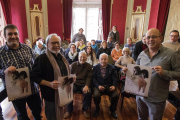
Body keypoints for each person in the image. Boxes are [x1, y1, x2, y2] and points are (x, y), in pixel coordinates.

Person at [123, 28, 180, 120]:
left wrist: (164, 72)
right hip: (140, 95)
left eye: (154, 37)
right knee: (142, 118)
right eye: (148, 37)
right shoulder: (142, 54)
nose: (150, 40)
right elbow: (137, 70)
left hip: (157, 97)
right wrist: (128, 71)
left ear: (160, 38)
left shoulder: (172, 54)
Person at [0, 24, 42, 120]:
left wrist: (39, 80)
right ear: (5, 36)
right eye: (10, 34)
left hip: (32, 88)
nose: (13, 36)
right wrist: (4, 71)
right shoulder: (0, 53)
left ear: (18, 35)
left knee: (37, 111)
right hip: (15, 91)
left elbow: (36, 65)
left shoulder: (27, 48)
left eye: (15, 33)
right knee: (22, 115)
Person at [30, 33, 72, 120]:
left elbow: (64, 74)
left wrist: (71, 78)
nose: (56, 45)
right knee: (52, 116)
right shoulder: (42, 58)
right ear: (47, 44)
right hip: (50, 96)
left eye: (58, 43)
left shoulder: (61, 57)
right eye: (53, 43)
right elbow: (33, 76)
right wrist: (49, 84)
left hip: (62, 93)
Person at [64, 51, 92, 119]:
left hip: (84, 84)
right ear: (78, 57)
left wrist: (87, 85)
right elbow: (69, 76)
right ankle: (69, 110)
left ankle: (85, 110)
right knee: (68, 91)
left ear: (86, 58)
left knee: (88, 93)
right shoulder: (73, 65)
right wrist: (69, 85)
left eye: (84, 57)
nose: (82, 58)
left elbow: (89, 77)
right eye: (81, 57)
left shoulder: (88, 66)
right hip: (74, 84)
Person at [93, 53, 119, 118]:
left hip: (109, 85)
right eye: (102, 59)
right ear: (99, 60)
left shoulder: (112, 67)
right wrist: (98, 86)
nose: (103, 61)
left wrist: (114, 85)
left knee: (116, 95)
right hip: (99, 85)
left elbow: (115, 78)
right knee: (96, 95)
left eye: (105, 59)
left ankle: (112, 109)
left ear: (107, 60)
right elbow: (93, 78)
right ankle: (97, 107)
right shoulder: (95, 67)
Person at [162, 30, 180, 119]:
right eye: (172, 36)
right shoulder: (164, 44)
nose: (173, 38)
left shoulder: (179, 46)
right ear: (169, 36)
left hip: (174, 69)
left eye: (175, 36)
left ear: (178, 37)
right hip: (164, 66)